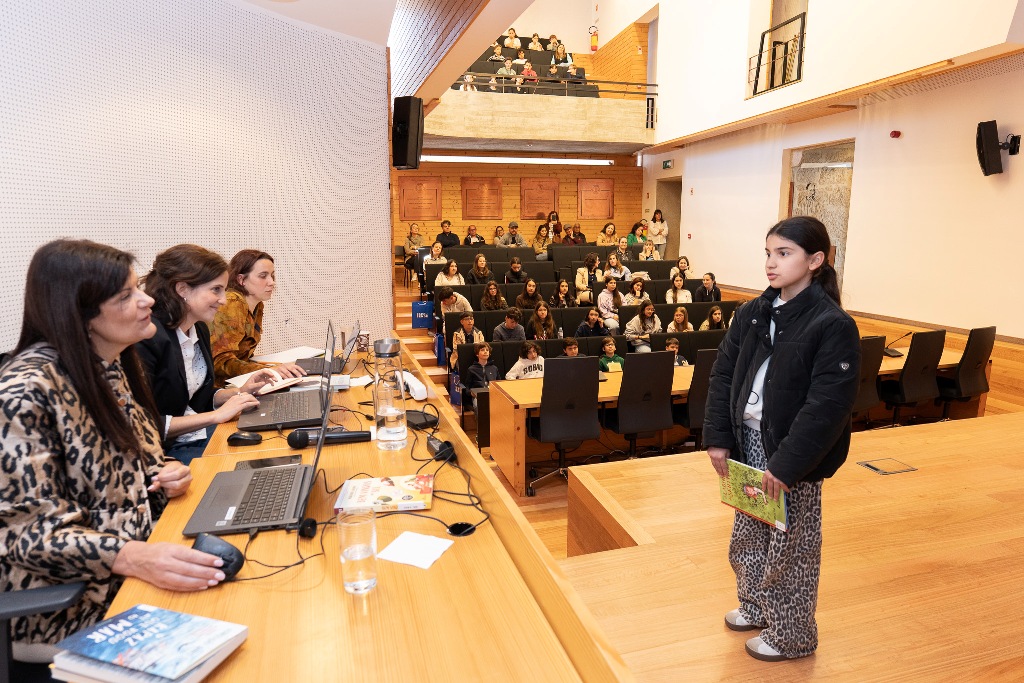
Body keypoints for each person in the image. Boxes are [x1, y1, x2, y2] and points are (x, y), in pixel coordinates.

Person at [0, 240, 226, 661]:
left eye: (137, 287)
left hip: (140, 563)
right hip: (72, 605)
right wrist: (138, 558)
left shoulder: (111, 366)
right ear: (78, 314)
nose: (146, 301)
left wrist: (166, 475)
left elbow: (137, 466)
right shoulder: (24, 393)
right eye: (126, 296)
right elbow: (30, 536)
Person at [703, 216, 860, 663]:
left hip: (793, 454)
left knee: (790, 545)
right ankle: (755, 607)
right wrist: (718, 437)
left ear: (815, 260)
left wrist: (785, 466)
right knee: (748, 533)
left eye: (783, 253)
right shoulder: (753, 312)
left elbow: (826, 407)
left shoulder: (832, 325)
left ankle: (792, 635)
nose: (771, 264)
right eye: (768, 253)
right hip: (748, 440)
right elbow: (723, 376)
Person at [137, 245, 276, 464]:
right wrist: (215, 416)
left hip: (197, 434)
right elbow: (145, 423)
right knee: (260, 460)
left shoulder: (198, 328)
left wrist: (238, 393)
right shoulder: (148, 339)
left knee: (273, 444)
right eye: (216, 290)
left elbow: (198, 397)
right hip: (166, 453)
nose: (223, 299)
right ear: (182, 289)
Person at [209, 250, 305, 387]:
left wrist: (273, 367)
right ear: (241, 279)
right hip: (219, 388)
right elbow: (220, 361)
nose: (271, 282)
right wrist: (267, 370)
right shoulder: (232, 303)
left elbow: (242, 356)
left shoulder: (257, 304)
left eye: (272, 276)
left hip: (236, 382)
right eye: (263, 276)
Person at [465, 342, 500, 411]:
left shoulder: (494, 368)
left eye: (487, 350)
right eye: (482, 350)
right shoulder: (472, 369)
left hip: (492, 394)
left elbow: (499, 383)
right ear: (477, 354)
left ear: (489, 354)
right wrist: (471, 393)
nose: (485, 352)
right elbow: (467, 387)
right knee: (480, 408)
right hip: (478, 395)